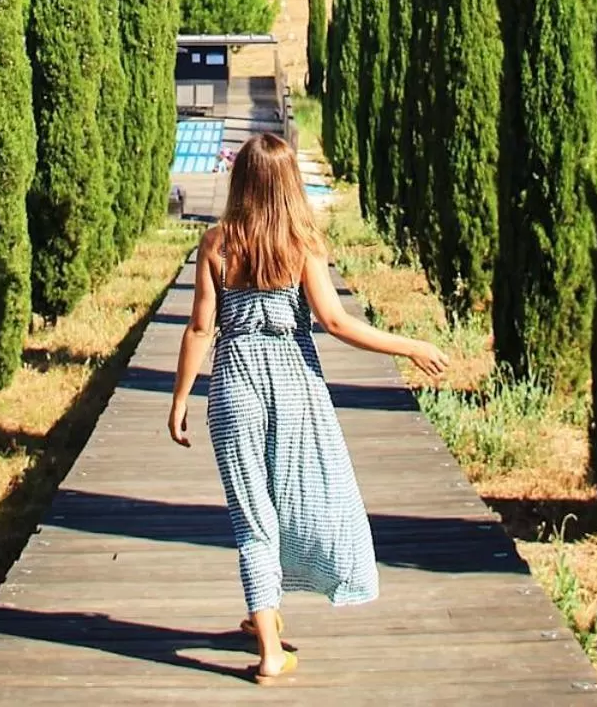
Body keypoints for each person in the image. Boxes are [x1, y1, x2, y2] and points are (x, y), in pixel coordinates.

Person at [168, 132, 448, 685]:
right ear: (289, 183)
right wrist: (411, 345)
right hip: (296, 388)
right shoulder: (303, 242)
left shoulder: (218, 244)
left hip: (234, 386)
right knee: (299, 496)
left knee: (252, 513)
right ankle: (271, 650)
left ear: (243, 182)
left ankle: (263, 620)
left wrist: (180, 399)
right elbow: (337, 323)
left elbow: (201, 327)